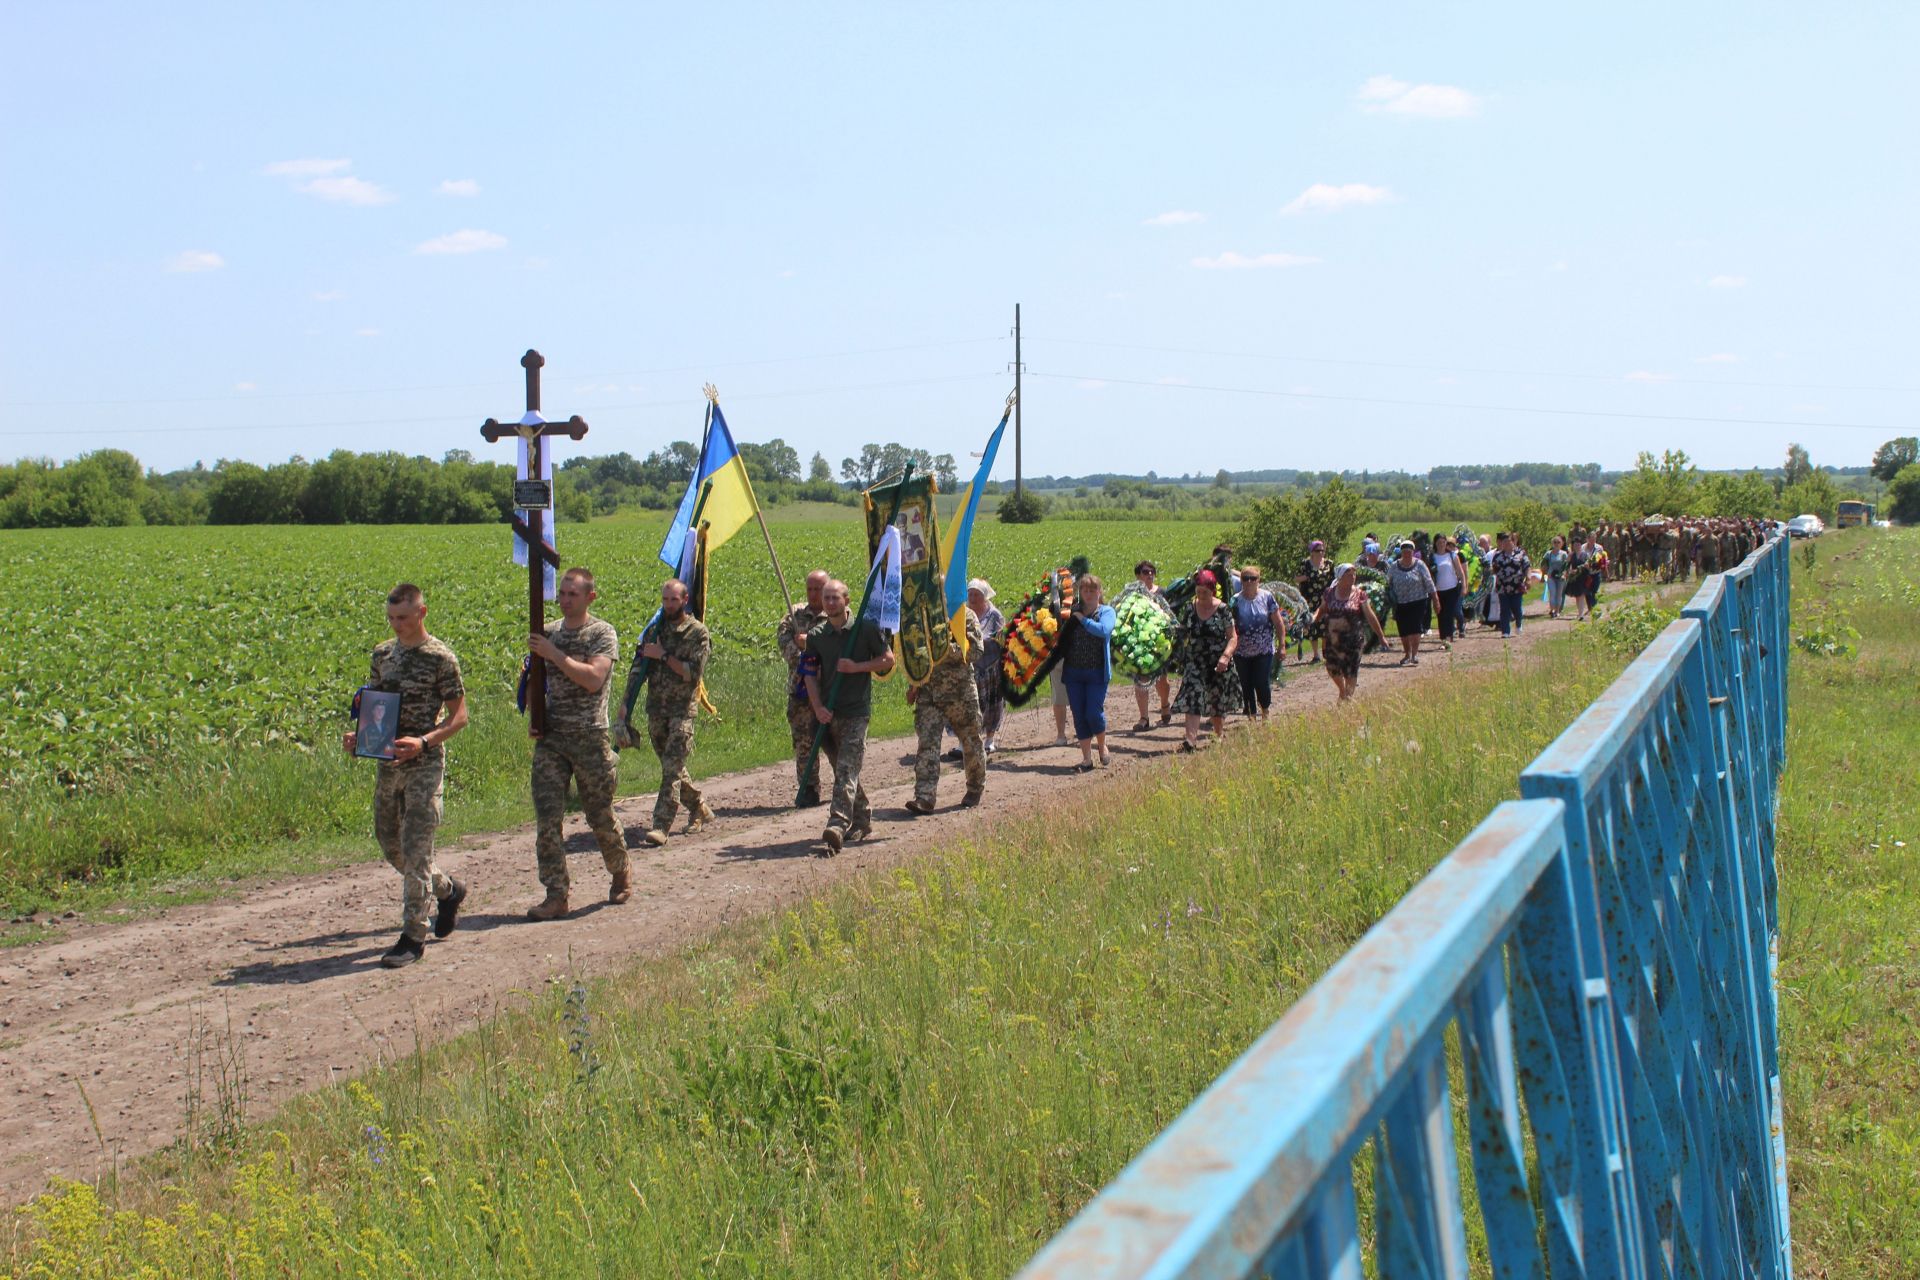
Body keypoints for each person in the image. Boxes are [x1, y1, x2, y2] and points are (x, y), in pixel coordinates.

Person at [345, 582, 469, 970]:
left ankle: (413, 936)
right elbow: (376, 706)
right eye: (391, 618)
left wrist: (424, 742)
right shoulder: (382, 654)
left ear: (421, 613)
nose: (396, 625)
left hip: (424, 764)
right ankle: (447, 890)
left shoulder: (440, 658)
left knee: (417, 849)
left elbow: (459, 717)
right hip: (388, 762)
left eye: (403, 617)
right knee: (390, 843)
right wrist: (360, 738)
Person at [522, 568, 631, 922]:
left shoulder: (601, 633)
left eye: (573, 594)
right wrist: (536, 717)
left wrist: (554, 654)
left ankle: (620, 870)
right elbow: (535, 681)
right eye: (563, 593)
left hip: (589, 737)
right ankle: (556, 895)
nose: (565, 600)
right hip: (553, 739)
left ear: (590, 597)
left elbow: (593, 679)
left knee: (599, 815)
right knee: (547, 818)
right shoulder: (549, 632)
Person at [804, 578, 895, 853]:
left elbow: (887, 660)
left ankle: (837, 824)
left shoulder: (865, 629)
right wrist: (818, 708)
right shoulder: (816, 636)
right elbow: (809, 674)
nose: (830, 602)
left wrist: (857, 667)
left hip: (856, 712)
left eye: (835, 597)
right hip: (829, 714)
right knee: (845, 769)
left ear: (847, 601)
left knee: (845, 769)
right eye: (827, 598)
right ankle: (862, 816)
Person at [628, 578, 712, 851]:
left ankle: (660, 825)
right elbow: (637, 669)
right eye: (665, 600)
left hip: (682, 711)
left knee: (671, 770)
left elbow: (692, 673)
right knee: (670, 767)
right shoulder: (655, 630)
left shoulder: (697, 633)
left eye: (673, 600)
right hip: (656, 710)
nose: (668, 605)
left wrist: (663, 655)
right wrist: (625, 705)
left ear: (684, 600)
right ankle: (698, 806)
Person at [905, 598, 987, 814]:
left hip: (960, 694)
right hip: (929, 693)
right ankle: (924, 797)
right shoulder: (924, 618)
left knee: (971, 742)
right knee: (927, 744)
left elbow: (975, 651)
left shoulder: (965, 616)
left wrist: (944, 649)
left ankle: (975, 787)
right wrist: (913, 684)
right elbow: (916, 654)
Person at [775, 569, 831, 807]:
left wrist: (810, 646)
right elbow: (788, 651)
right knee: (803, 743)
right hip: (801, 693)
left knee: (837, 742)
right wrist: (809, 658)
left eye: (818, 589)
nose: (813, 594)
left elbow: (838, 651)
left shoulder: (837, 614)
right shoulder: (794, 617)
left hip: (830, 690)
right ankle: (809, 788)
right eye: (810, 589)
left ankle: (845, 786)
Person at [1172, 569, 1238, 751]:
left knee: (1216, 699)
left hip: (1218, 662)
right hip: (1195, 661)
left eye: (1205, 592)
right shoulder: (1190, 608)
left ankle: (1218, 735)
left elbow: (1232, 637)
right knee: (1192, 697)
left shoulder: (1223, 609)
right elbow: (1182, 632)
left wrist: (1226, 656)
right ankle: (1190, 741)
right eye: (1198, 591)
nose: (1201, 595)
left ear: (1213, 591)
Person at [1059, 574, 1118, 770]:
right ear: (1080, 592)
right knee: (1078, 714)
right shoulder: (1072, 610)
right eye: (1085, 590)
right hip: (1073, 673)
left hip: (1097, 673)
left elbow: (1103, 630)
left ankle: (1102, 746)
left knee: (1093, 712)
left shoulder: (1107, 612)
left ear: (1099, 592)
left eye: (1093, 590)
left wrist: (1082, 620)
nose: (1089, 593)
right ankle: (1086, 758)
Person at [1312, 564, 1387, 702]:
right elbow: (1322, 609)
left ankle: (1347, 699)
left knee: (1351, 670)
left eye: (1354, 574)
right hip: (1333, 639)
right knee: (1332, 668)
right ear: (1340, 577)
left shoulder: (1359, 594)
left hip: (1354, 640)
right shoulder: (1329, 593)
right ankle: (1342, 691)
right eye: (1348, 575)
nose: (1352, 577)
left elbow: (1370, 616)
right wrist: (1312, 619)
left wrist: (1381, 636)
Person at [1231, 564, 1282, 719]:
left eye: (1252, 578)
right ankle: (1251, 716)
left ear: (1258, 580)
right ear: (1241, 580)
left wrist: (1282, 645)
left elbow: (1278, 622)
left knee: (1261, 682)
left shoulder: (1267, 597)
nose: (1249, 582)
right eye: (1245, 578)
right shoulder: (1235, 600)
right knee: (1246, 684)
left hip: (1263, 649)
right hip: (1241, 651)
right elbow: (1230, 624)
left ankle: (1265, 710)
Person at [1127, 561, 1174, 730]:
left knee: (1162, 679)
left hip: (1159, 641)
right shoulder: (1131, 594)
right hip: (1139, 642)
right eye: (1146, 572)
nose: (1150, 575)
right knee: (1141, 679)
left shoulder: (1162, 593)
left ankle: (1165, 705)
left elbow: (1170, 614)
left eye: (1152, 572)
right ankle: (1144, 718)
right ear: (1138, 575)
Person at [1384, 540, 1440, 666]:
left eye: (1409, 552)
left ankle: (1414, 654)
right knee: (1403, 629)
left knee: (1415, 627)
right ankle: (1407, 654)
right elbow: (1388, 583)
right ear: (1401, 553)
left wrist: (1436, 600)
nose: (1407, 554)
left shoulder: (1420, 565)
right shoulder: (1394, 566)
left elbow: (1429, 583)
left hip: (1418, 601)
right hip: (1400, 603)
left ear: (1413, 552)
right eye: (1404, 552)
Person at [967, 579, 1006, 753]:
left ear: (984, 597)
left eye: (976, 595)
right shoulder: (964, 614)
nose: (973, 598)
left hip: (991, 667)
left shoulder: (994, 615)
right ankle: (966, 741)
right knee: (969, 705)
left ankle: (989, 739)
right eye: (970, 594)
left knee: (992, 704)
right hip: (971, 667)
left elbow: (1002, 638)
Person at [1296, 540, 1336, 664]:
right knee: (1312, 626)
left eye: (1322, 550)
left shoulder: (1329, 563)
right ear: (1312, 552)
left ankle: (1325, 652)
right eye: (1318, 550)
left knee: (1326, 625)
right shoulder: (1305, 564)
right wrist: (1308, 577)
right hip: (1310, 599)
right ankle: (1315, 655)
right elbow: (1296, 578)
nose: (1321, 552)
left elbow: (1334, 580)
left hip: (1326, 598)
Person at [1490, 532, 1531, 637]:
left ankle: (1518, 623)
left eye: (1508, 541)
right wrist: (1489, 571)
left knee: (1516, 608)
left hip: (1516, 586)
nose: (1506, 544)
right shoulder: (1498, 556)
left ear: (1513, 542)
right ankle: (1505, 631)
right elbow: (1494, 569)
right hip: (1502, 587)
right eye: (1504, 542)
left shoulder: (1520, 554)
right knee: (1504, 609)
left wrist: (1528, 579)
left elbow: (1527, 567)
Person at [1431, 534, 1467, 642]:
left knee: (1448, 613)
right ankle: (1443, 638)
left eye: (1443, 542)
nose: (1441, 545)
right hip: (1438, 590)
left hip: (1452, 589)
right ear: (1435, 544)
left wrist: (1464, 586)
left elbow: (1460, 572)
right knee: (1440, 614)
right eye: (1439, 542)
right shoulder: (1432, 557)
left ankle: (1448, 637)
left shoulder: (1452, 555)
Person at [1543, 535, 1570, 620]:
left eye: (1558, 542)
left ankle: (1557, 611)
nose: (1556, 544)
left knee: (1559, 594)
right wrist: (1545, 573)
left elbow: (1567, 565)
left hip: (1560, 576)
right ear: (1552, 543)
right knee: (1552, 593)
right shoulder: (1548, 554)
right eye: (1555, 542)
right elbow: (1544, 564)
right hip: (1551, 576)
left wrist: (1565, 574)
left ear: (1561, 544)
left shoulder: (1564, 554)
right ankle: (1552, 610)